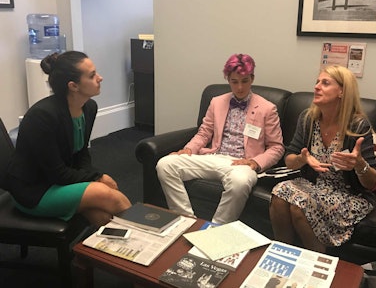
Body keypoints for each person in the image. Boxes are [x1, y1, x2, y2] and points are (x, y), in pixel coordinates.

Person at [5, 51, 132, 226]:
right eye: (92, 75)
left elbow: (81, 155)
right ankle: (151, 240)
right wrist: (97, 178)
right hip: (35, 190)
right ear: (73, 86)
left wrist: (94, 177)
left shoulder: (88, 108)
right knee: (109, 195)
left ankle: (110, 252)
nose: (100, 78)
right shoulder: (42, 116)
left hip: (60, 181)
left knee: (102, 216)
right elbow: (56, 173)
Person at [156, 54, 285, 224]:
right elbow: (204, 133)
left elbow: (277, 147)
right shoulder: (217, 102)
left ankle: (217, 228)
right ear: (228, 80)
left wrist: (255, 162)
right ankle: (186, 222)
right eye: (234, 81)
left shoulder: (267, 108)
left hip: (242, 164)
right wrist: (189, 149)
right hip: (213, 157)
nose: (239, 87)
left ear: (252, 78)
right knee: (165, 164)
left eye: (244, 81)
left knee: (240, 182)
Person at [269, 65, 376, 253]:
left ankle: (318, 265)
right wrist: (303, 159)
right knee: (279, 193)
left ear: (342, 92)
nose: (317, 87)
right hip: (314, 185)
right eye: (317, 82)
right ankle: (283, 254)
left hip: (348, 194)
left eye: (325, 83)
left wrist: (359, 164)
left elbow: (371, 182)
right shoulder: (308, 119)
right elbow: (289, 159)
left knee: (299, 206)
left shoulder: (358, 125)